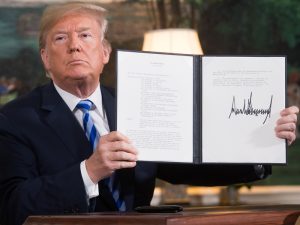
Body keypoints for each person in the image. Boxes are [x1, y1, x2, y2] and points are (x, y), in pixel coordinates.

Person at [0, 2, 298, 225]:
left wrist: (263, 144)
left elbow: (191, 164)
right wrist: (89, 171)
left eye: (85, 35)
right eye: (61, 38)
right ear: (45, 58)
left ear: (105, 53)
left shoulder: (137, 105)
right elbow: (11, 206)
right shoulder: (14, 120)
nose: (75, 46)